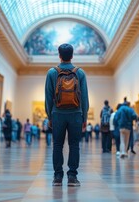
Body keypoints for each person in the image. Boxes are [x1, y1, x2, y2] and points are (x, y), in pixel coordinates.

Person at [45, 43, 89, 187]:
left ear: (59, 55)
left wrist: (49, 116)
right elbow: (84, 98)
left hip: (57, 114)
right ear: (72, 55)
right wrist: (85, 117)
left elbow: (48, 96)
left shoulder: (52, 72)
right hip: (76, 114)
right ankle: (72, 177)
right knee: (74, 145)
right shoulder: (80, 73)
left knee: (57, 145)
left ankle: (57, 177)